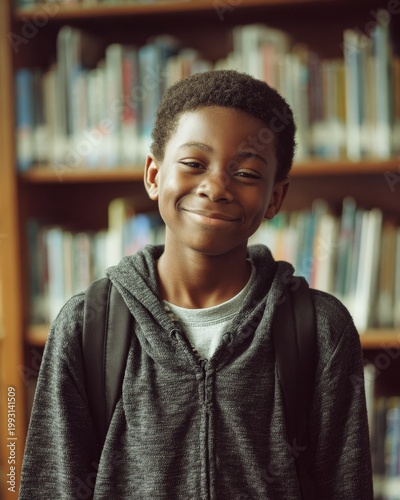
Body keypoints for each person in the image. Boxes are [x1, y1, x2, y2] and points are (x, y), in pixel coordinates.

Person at [19, 69, 373, 499]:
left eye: (245, 173)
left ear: (275, 198)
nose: (215, 187)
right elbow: (54, 487)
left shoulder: (319, 328)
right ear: (153, 174)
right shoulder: (87, 326)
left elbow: (346, 487)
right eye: (193, 164)